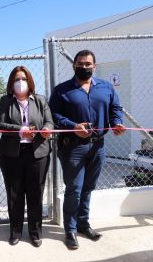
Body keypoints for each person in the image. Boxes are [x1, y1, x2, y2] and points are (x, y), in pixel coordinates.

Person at [49, 50, 125, 250]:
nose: (84, 67)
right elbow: (53, 116)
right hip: (72, 147)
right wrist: (73, 126)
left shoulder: (106, 87)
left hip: (98, 146)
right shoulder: (61, 90)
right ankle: (70, 230)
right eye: (80, 64)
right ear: (73, 66)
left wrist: (117, 123)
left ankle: (83, 225)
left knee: (88, 188)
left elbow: (115, 109)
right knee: (74, 189)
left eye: (88, 64)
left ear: (95, 65)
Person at [0, 66, 53, 248]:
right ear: (11, 83)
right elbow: (1, 124)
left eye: (23, 79)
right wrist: (21, 130)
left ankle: (35, 233)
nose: (20, 82)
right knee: (15, 194)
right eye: (16, 79)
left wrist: (46, 130)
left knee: (36, 194)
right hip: (12, 154)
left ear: (30, 81)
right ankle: (16, 232)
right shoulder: (5, 101)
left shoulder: (40, 100)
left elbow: (49, 121)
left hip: (38, 153)